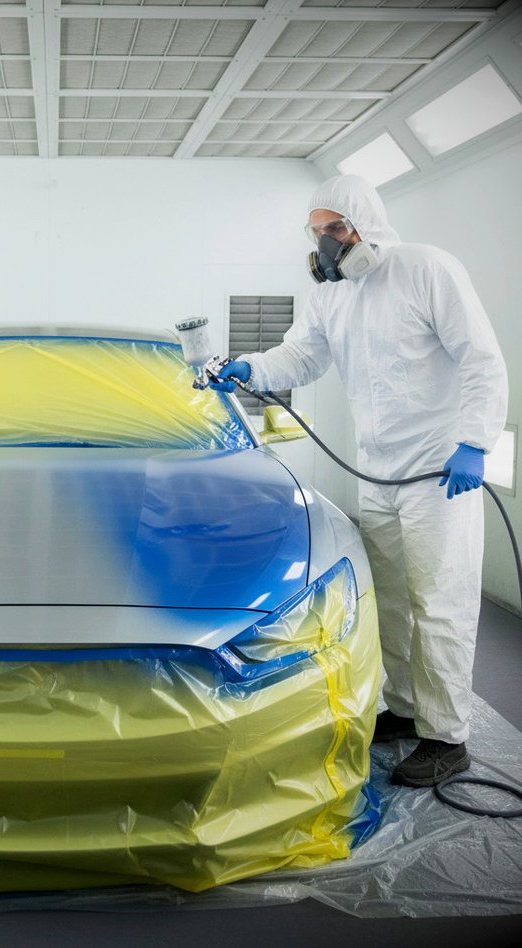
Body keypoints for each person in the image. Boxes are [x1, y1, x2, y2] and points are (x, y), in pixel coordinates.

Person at [210, 174, 505, 787]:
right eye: (317, 231)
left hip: (437, 472)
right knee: (390, 602)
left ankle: (447, 736)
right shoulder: (331, 295)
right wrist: (250, 367)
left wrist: (475, 443)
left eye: (336, 228)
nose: (326, 242)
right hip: (376, 473)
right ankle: (406, 708)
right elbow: (302, 356)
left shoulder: (425, 269)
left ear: (366, 224)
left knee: (440, 605)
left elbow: (480, 357)